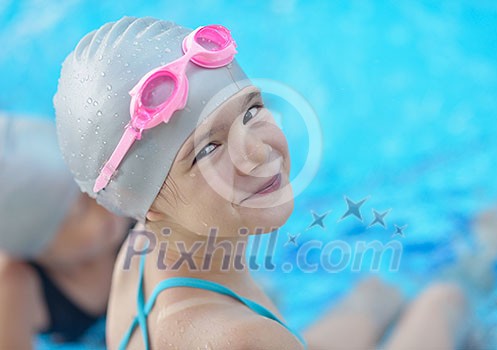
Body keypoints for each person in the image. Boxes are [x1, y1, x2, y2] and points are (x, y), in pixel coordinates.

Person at [54, 17, 471, 349]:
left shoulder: (139, 251)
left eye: (251, 111)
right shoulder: (242, 338)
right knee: (446, 300)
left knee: (376, 292)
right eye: (206, 150)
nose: (256, 152)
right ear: (148, 201)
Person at [0, 114, 132, 349]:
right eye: (81, 210)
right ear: (41, 247)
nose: (102, 203)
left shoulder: (131, 212)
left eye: (98, 184)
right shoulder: (17, 284)